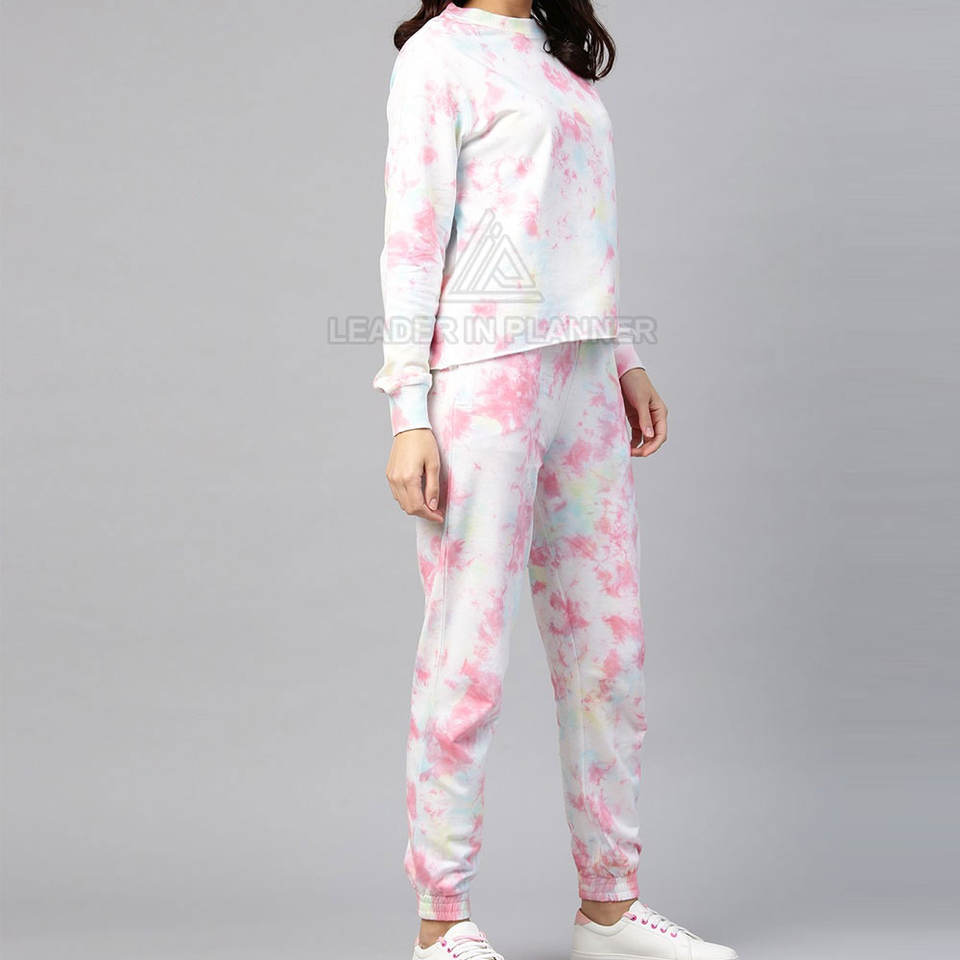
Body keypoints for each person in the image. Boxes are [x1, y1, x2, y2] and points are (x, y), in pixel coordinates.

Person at [374, 3, 737, 959]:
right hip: (484, 377)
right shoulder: (439, 56)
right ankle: (441, 921)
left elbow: (579, 228)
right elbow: (413, 237)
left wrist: (622, 357)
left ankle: (608, 910)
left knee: (608, 656)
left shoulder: (554, 50)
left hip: (584, 372)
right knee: (468, 655)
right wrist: (409, 409)